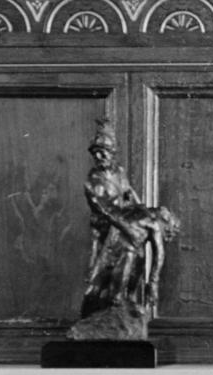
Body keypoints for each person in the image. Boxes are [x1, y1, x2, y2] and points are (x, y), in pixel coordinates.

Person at [75, 120, 180, 333]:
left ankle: (126, 304)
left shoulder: (119, 172)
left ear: (113, 153)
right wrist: (129, 227)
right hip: (108, 228)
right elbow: (104, 211)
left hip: (127, 223)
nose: (99, 157)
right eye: (95, 153)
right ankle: (111, 304)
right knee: (102, 274)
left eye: (104, 152)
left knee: (136, 262)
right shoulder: (91, 182)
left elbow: (129, 193)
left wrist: (141, 208)